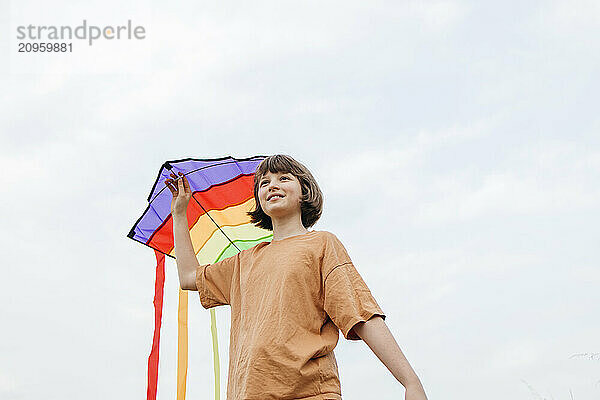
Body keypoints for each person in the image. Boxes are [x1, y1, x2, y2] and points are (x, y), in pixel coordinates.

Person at [165, 154, 428, 400]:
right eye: (264, 182)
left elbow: (361, 314)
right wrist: (180, 213)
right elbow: (189, 277)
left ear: (305, 191)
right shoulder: (244, 261)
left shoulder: (322, 245)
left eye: (283, 178)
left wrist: (409, 381)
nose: (272, 185)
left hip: (309, 392)